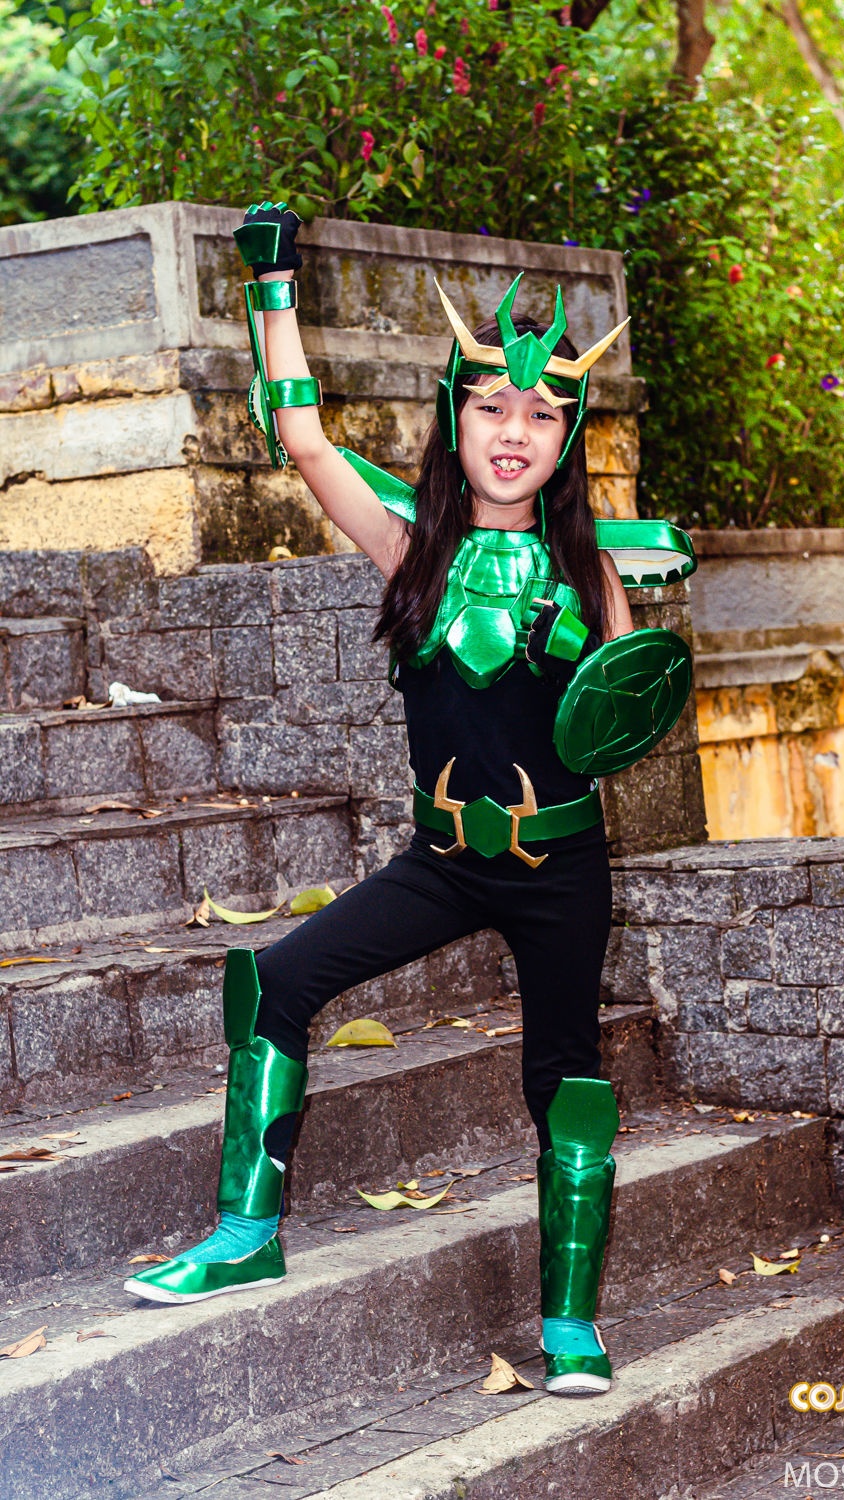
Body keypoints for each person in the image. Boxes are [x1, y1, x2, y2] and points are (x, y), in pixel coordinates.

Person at [125, 203, 696, 1398]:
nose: (513, 431)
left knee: (565, 1083)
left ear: (566, 438)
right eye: (490, 407)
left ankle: (570, 1322)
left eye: (540, 415)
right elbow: (300, 438)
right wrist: (271, 284)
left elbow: (624, 719)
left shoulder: (593, 573)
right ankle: (245, 1231)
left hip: (560, 872)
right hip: (440, 863)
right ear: (453, 416)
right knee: (274, 982)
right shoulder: (411, 553)